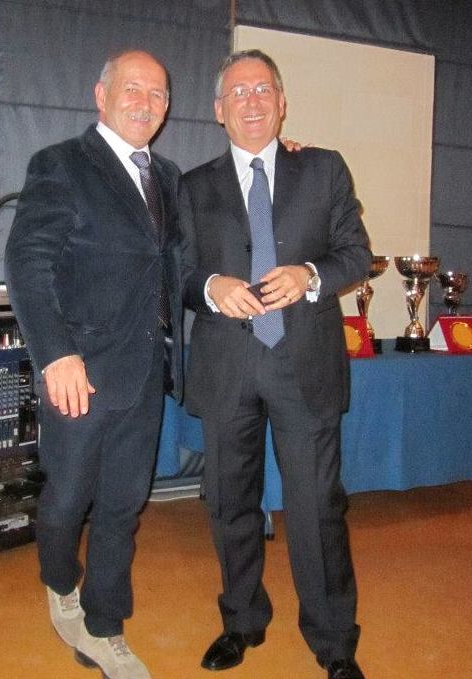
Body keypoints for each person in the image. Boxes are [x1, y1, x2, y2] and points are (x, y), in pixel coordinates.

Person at [180, 49, 371, 679]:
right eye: (238, 93)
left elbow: (355, 253)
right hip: (227, 365)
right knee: (229, 503)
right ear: (219, 110)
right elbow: (176, 274)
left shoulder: (323, 168)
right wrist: (210, 287)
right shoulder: (192, 186)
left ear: (282, 102)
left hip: (304, 365)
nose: (252, 102)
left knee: (317, 508)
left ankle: (334, 642)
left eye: (263, 89)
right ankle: (242, 621)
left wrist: (310, 274)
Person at [4, 50, 183, 679]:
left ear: (167, 107)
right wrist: (55, 353)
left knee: (123, 505)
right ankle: (60, 581)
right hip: (78, 371)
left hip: (146, 370)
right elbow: (27, 262)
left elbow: (177, 262)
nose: (145, 102)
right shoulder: (60, 164)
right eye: (132, 88)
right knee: (67, 499)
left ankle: (105, 626)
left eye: (158, 93)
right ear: (100, 95)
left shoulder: (169, 177)